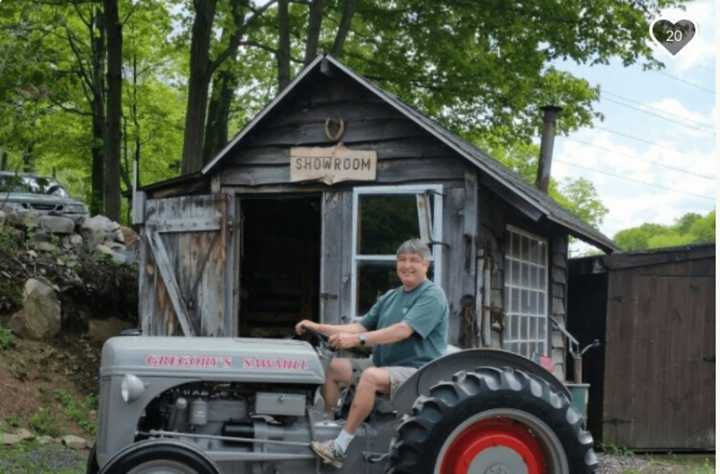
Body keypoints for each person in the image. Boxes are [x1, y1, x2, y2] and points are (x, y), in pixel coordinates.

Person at [295, 238, 449, 468]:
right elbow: (359, 326)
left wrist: (356, 340)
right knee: (332, 368)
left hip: (417, 371)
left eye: (414, 260)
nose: (407, 265)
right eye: (402, 260)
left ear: (426, 265)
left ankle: (340, 447)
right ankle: (328, 425)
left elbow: (402, 331)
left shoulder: (432, 295)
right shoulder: (391, 296)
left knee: (370, 377)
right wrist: (317, 327)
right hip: (384, 364)